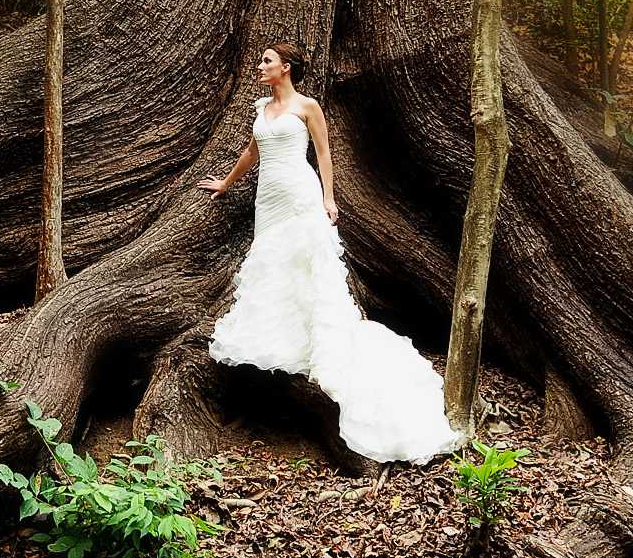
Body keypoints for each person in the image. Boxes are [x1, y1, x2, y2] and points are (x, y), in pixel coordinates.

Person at [196, 41, 465, 465]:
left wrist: (329, 199)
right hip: (268, 201)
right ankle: (289, 341)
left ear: (285, 67)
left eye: (267, 61)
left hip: (301, 197)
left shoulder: (308, 106)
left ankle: (323, 349)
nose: (261, 66)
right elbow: (253, 152)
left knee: (309, 268)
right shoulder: (260, 108)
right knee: (275, 268)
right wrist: (226, 184)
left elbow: (323, 153)